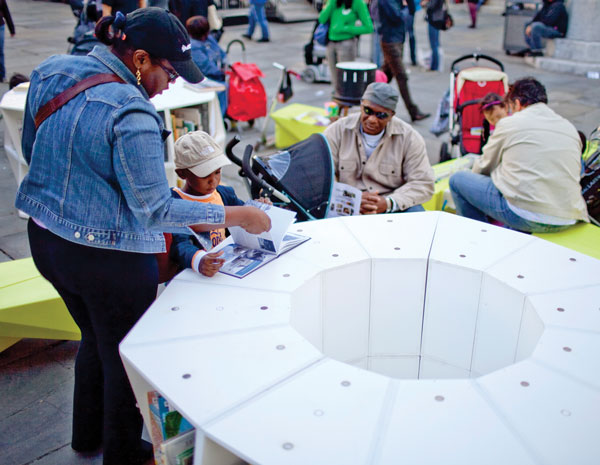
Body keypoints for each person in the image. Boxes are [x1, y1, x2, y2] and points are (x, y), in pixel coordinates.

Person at [15, 8, 270, 465]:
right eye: (168, 71)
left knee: (94, 337)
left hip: (46, 240)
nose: (172, 83)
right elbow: (154, 210)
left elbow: (34, 151)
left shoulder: (52, 70)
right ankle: (122, 454)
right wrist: (240, 215)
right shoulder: (133, 112)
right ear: (138, 58)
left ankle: (85, 438)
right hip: (107, 258)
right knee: (125, 359)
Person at [449, 77, 588, 233]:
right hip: (569, 216)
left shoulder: (510, 123)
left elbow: (483, 167)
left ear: (516, 103)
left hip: (526, 214)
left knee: (457, 180)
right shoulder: (569, 128)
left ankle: (476, 239)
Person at [168, 131, 272, 277]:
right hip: (194, 274)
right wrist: (198, 259)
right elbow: (179, 243)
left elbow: (244, 216)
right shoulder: (175, 202)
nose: (213, 180)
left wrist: (259, 208)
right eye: (205, 175)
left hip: (226, 267)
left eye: (217, 172)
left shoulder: (224, 193)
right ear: (182, 174)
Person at [323, 82, 434, 214]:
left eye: (381, 115)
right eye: (368, 111)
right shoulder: (337, 130)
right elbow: (320, 176)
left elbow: (423, 183)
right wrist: (349, 199)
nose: (372, 119)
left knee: (417, 214)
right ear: (361, 105)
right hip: (343, 204)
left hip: (389, 206)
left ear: (391, 115)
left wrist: (389, 203)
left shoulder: (409, 138)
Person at [379, 0, 429, 122]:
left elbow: (411, 11)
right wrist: (405, 8)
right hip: (390, 40)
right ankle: (413, 111)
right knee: (401, 75)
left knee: (387, 73)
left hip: (398, 38)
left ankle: (370, 97)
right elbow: (398, 17)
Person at [318, 0, 373, 89]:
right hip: (331, 43)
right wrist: (330, 3)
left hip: (347, 44)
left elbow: (368, 27)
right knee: (334, 79)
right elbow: (322, 19)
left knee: (345, 78)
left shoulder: (358, 3)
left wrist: (346, 28)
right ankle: (336, 99)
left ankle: (345, 100)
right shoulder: (333, 2)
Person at [186, 15, 228, 116]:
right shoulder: (194, 46)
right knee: (224, 87)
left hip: (217, 75)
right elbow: (205, 66)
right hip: (204, 79)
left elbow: (222, 53)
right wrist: (221, 73)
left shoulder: (209, 39)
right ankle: (220, 116)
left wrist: (226, 66)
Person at [422, 0, 444, 71]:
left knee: (434, 44)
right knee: (435, 43)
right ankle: (435, 64)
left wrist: (426, 2)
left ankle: (435, 65)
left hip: (434, 20)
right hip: (437, 18)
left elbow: (431, 5)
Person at [0, 0, 15, 83]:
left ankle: (2, 75)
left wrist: (11, 28)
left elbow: (6, 11)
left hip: (0, 26)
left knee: (0, 51)